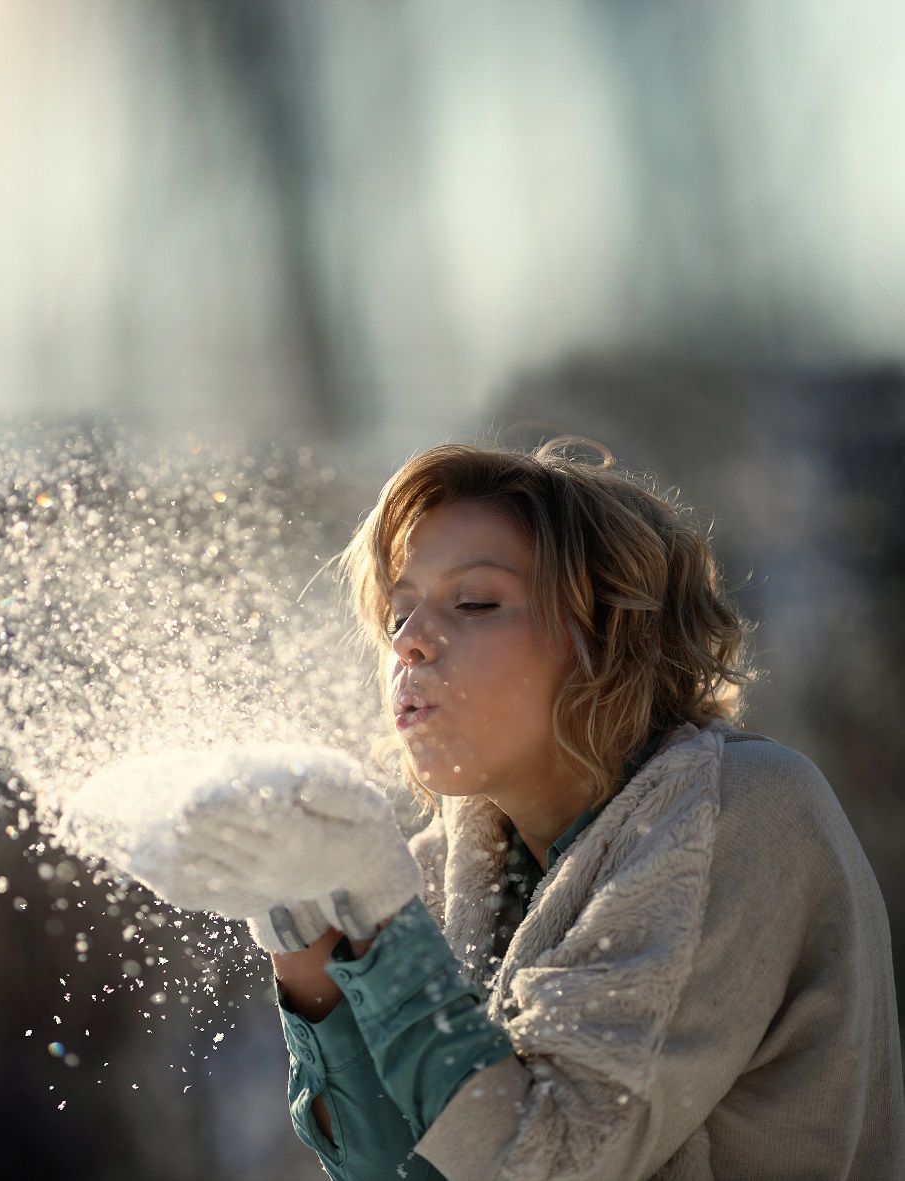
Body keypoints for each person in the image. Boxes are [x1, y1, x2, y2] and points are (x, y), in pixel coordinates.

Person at [68, 438, 904, 1180]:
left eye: (474, 602)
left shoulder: (745, 812)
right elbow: (396, 1166)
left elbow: (547, 1158)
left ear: (607, 635)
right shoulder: (441, 873)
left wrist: (372, 911)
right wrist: (300, 927)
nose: (408, 641)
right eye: (397, 613)